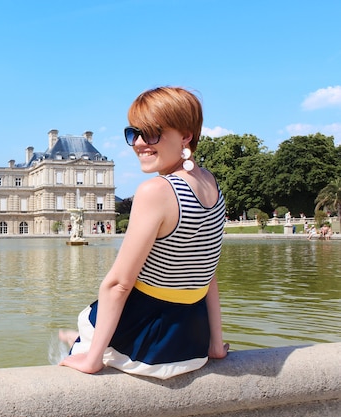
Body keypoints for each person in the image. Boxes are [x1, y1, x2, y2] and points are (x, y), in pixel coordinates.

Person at [59, 86, 229, 379]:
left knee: (88, 328)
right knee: (84, 329)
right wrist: (214, 345)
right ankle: (83, 337)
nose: (138, 143)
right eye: (133, 133)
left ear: (186, 136)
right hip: (192, 342)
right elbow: (208, 275)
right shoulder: (211, 184)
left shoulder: (157, 191)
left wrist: (93, 360)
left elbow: (118, 285)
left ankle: (89, 343)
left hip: (150, 346)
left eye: (151, 133)